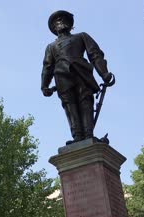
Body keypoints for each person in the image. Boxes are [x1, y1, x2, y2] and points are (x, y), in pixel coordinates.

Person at [41, 10, 114, 144]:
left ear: (69, 24)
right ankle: (78, 136)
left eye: (63, 19)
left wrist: (104, 73)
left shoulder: (81, 36)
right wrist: (44, 85)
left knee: (85, 101)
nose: (60, 22)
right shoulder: (51, 47)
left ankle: (88, 134)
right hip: (62, 77)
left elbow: (95, 54)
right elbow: (47, 66)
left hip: (82, 73)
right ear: (54, 28)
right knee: (69, 106)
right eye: (57, 21)